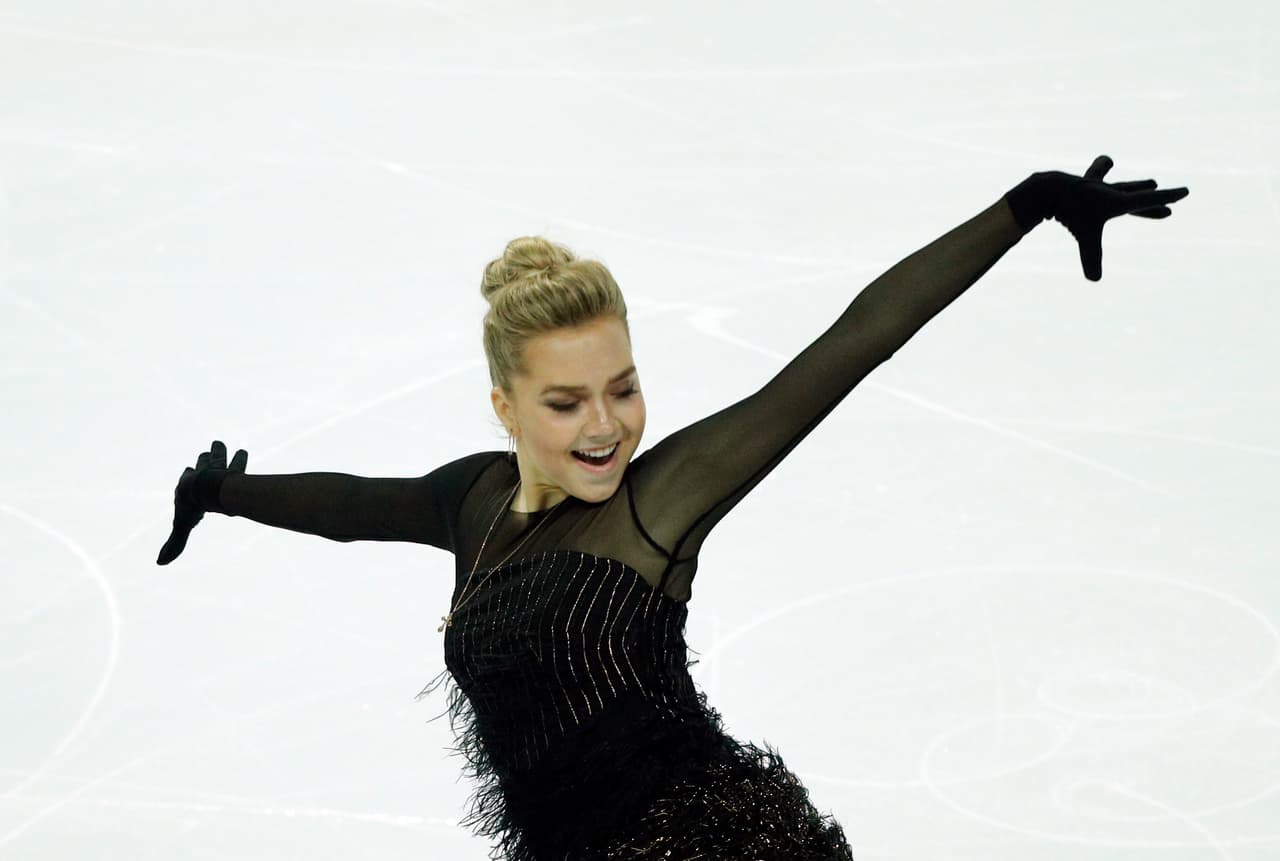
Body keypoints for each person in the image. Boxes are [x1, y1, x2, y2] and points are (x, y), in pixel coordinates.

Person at [157, 155, 1188, 860]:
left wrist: (1028, 203)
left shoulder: (655, 506)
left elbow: (847, 346)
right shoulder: (470, 501)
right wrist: (222, 492)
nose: (606, 425)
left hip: (709, 844)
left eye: (623, 387)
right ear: (504, 407)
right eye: (565, 403)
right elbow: (347, 506)